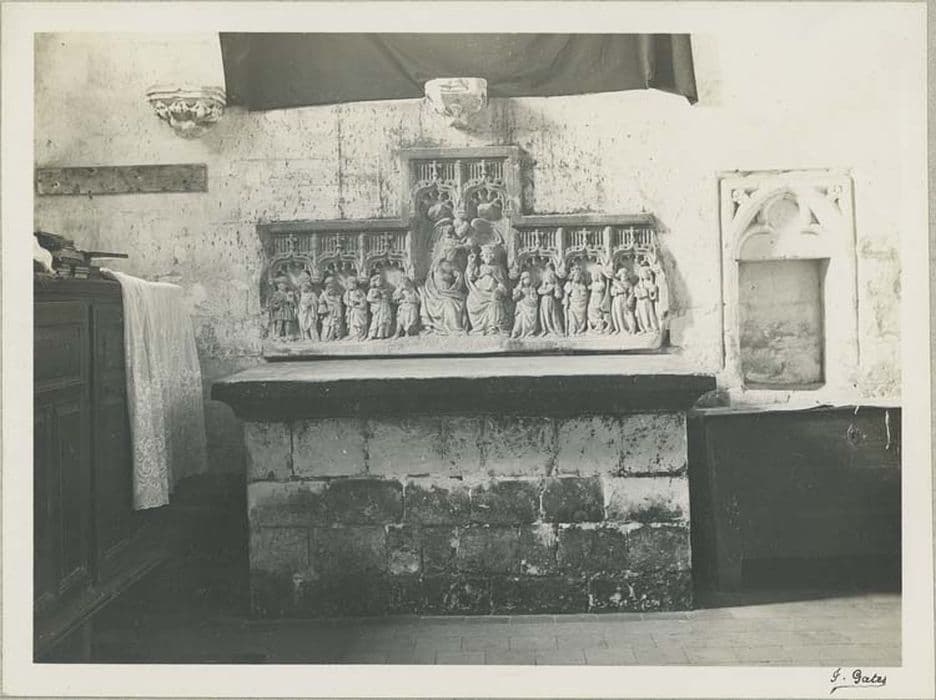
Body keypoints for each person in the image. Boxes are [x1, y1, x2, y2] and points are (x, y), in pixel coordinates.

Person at [466, 244, 509, 334]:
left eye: (489, 255)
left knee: (494, 302)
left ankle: (492, 327)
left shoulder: (499, 267)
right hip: (479, 292)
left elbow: (503, 283)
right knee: (470, 301)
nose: (487, 258)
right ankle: (478, 327)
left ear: (493, 256)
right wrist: (471, 263)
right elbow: (472, 277)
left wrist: (499, 290)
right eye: (485, 256)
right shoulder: (481, 267)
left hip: (492, 293)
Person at [537, 263, 564, 336]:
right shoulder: (544, 286)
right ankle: (545, 329)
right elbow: (539, 291)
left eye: (548, 277)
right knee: (544, 315)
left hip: (549, 299)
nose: (546, 279)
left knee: (552, 315)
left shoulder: (551, 286)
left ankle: (555, 329)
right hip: (544, 300)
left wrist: (546, 288)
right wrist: (543, 286)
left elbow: (554, 293)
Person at [511, 270, 539, 338]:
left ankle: (530, 333)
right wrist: (519, 292)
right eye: (525, 278)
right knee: (520, 320)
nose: (527, 280)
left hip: (531, 306)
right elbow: (514, 298)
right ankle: (516, 333)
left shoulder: (532, 288)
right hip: (522, 306)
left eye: (528, 278)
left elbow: (535, 298)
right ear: (522, 280)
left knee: (531, 319)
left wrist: (533, 298)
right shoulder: (519, 288)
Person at [366, 273, 393, 340]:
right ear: (374, 282)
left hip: (385, 306)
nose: (380, 282)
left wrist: (386, 296)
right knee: (375, 321)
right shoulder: (372, 290)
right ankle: (371, 335)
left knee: (384, 321)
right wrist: (376, 299)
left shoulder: (385, 289)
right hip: (377, 308)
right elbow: (369, 299)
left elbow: (390, 298)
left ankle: (381, 335)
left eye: (381, 280)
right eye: (378, 280)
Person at [610, 268, 637, 334]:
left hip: (624, 298)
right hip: (617, 298)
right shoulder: (616, 283)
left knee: (626, 313)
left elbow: (631, 293)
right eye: (622, 275)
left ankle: (628, 328)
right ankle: (620, 328)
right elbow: (612, 291)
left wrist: (629, 301)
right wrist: (616, 290)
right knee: (618, 313)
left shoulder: (629, 284)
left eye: (625, 274)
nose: (624, 276)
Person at [318, 275, 345, 341]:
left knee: (334, 325)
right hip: (327, 313)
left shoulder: (337, 295)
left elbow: (339, 302)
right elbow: (321, 302)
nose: (331, 289)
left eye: (332, 286)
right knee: (326, 325)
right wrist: (323, 306)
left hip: (335, 312)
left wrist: (336, 303)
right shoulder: (324, 295)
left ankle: (334, 336)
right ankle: (325, 337)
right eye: (329, 286)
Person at [563, 264, 588, 336]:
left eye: (579, 276)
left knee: (582, 320)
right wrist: (566, 303)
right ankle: (572, 331)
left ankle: (580, 330)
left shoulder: (582, 285)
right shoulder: (569, 284)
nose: (577, 277)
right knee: (572, 320)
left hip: (582, 306)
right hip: (573, 306)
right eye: (576, 276)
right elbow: (566, 295)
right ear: (572, 276)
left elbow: (586, 296)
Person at [634, 265, 660, 333]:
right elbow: (636, 290)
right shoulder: (639, 283)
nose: (643, 275)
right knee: (641, 315)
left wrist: (652, 290)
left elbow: (652, 292)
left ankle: (652, 328)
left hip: (646, 301)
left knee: (649, 314)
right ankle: (643, 328)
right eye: (642, 273)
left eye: (644, 273)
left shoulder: (649, 282)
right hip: (640, 301)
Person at [344, 276, 369, 341]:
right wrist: (350, 304)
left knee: (359, 322)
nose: (352, 285)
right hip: (351, 310)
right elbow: (345, 300)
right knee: (352, 323)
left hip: (359, 310)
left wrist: (358, 302)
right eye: (350, 284)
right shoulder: (347, 292)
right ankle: (353, 334)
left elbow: (364, 299)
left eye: (354, 283)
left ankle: (360, 334)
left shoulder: (360, 291)